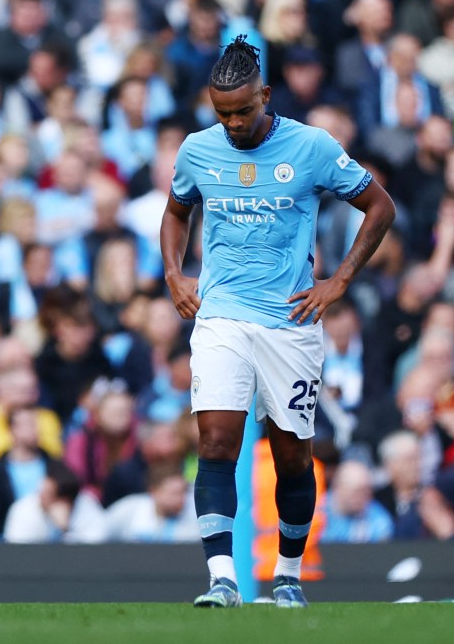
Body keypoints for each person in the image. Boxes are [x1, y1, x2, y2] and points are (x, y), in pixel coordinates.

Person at [159, 36, 396, 609]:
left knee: (291, 454)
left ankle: (288, 578)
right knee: (216, 441)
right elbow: (175, 211)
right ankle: (222, 580)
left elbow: (380, 206)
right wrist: (173, 271)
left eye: (243, 109)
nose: (233, 122)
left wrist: (338, 282)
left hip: (290, 322)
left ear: (264, 95)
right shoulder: (197, 149)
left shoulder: (311, 147)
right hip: (221, 317)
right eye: (223, 113)